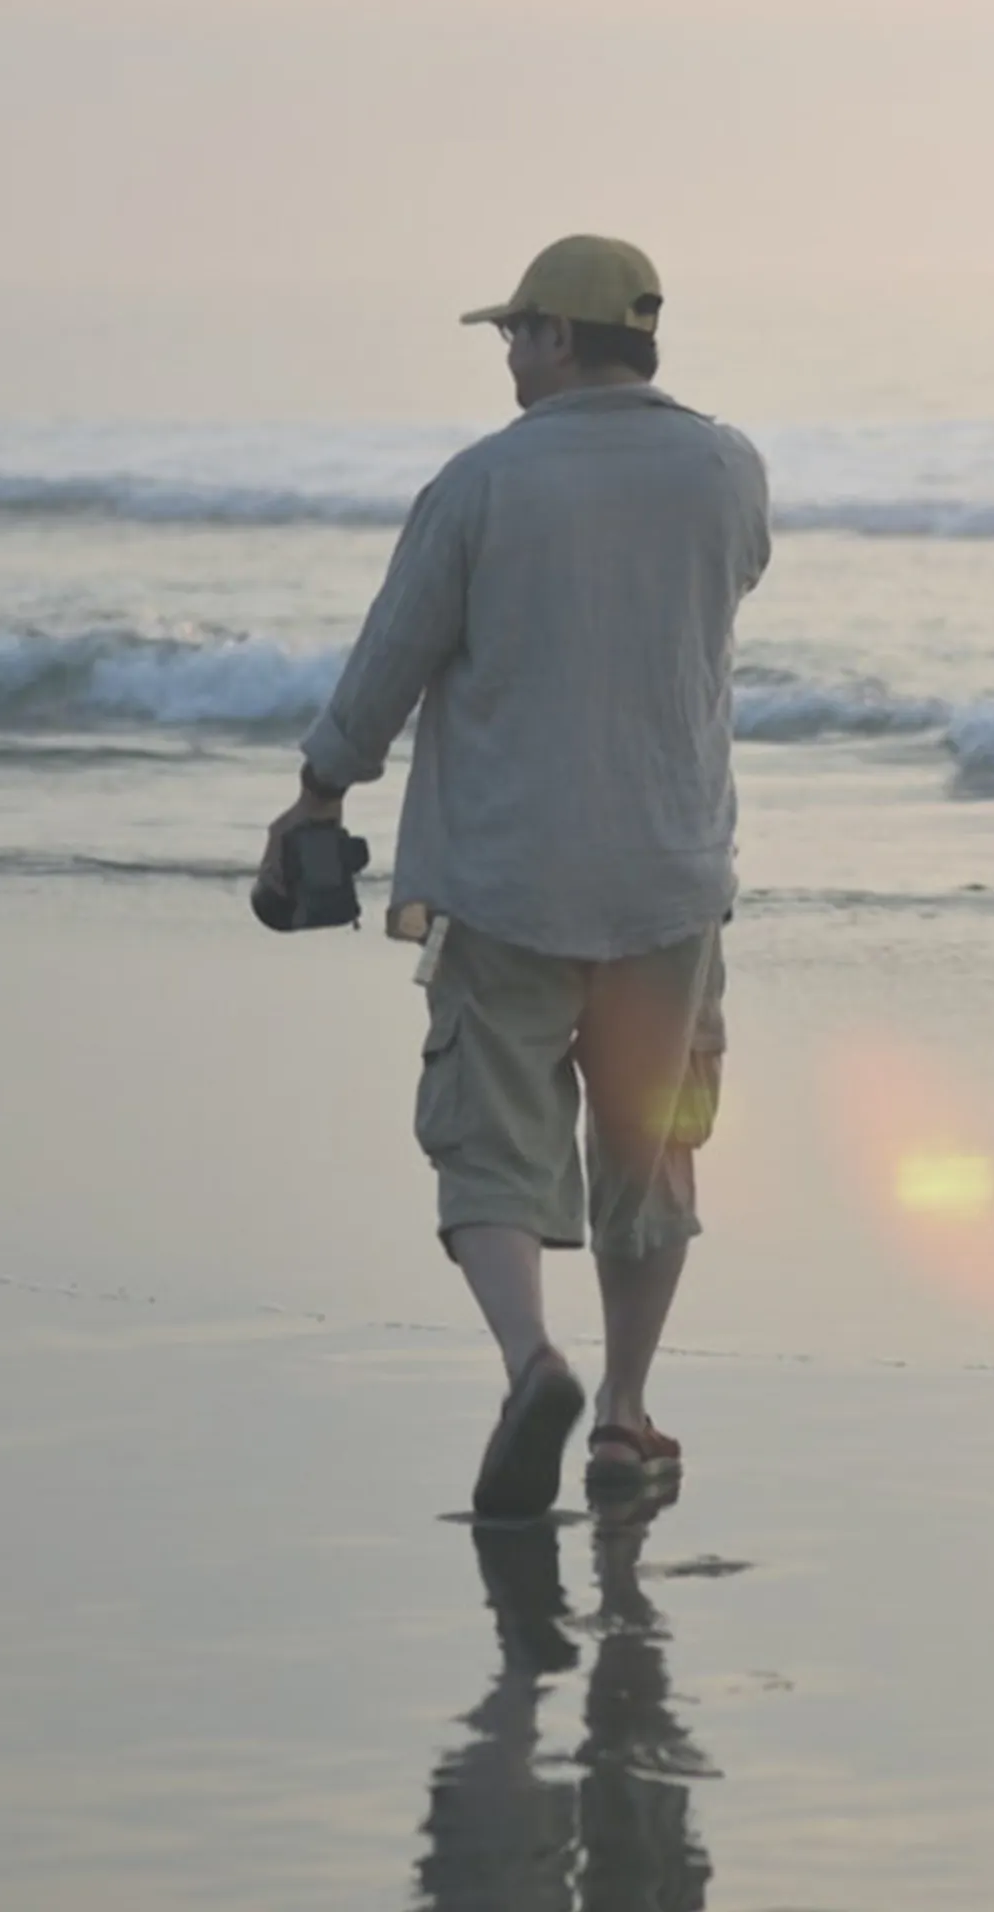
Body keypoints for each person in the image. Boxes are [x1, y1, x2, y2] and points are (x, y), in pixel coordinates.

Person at [267, 234, 771, 1518]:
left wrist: (322, 789)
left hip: (505, 874)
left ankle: (531, 1360)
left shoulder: (481, 483)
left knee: (489, 1138)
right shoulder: (727, 470)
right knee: (651, 1153)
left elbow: (392, 658)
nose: (506, 356)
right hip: (669, 873)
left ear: (557, 336)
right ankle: (624, 1417)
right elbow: (733, 581)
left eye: (515, 333)